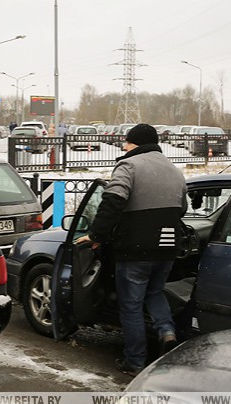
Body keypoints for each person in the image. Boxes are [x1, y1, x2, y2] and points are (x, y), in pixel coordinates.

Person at [76, 123, 188, 376]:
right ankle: (166, 332)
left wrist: (96, 235)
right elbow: (182, 208)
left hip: (136, 248)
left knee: (131, 305)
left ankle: (135, 361)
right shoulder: (174, 170)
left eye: (126, 142)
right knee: (156, 292)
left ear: (134, 143)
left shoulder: (129, 166)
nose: (124, 147)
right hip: (169, 246)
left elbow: (112, 201)